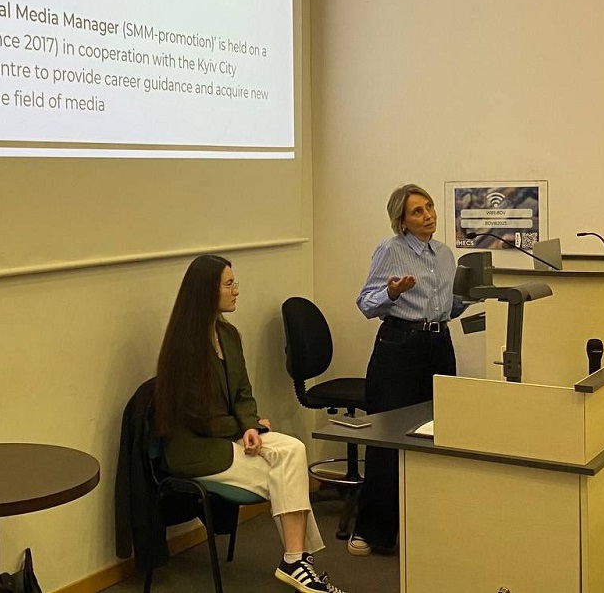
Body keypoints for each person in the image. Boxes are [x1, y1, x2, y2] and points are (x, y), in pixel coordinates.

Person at [154, 255, 348, 593]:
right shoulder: (184, 347)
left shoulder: (228, 335)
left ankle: (295, 561)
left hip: (228, 434)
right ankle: (297, 561)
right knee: (284, 475)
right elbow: (198, 418)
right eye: (229, 284)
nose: (236, 290)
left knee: (293, 450)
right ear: (206, 291)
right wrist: (245, 428)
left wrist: (249, 426)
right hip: (195, 449)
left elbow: (243, 392)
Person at [347, 184, 467, 557]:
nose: (428, 215)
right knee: (389, 438)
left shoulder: (445, 254)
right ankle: (372, 532)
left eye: (429, 207)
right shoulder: (391, 250)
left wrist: (472, 296)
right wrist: (393, 293)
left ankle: (426, 527)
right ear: (401, 221)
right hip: (399, 347)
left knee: (437, 433)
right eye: (417, 211)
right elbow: (366, 303)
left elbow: (446, 305)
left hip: (439, 345)